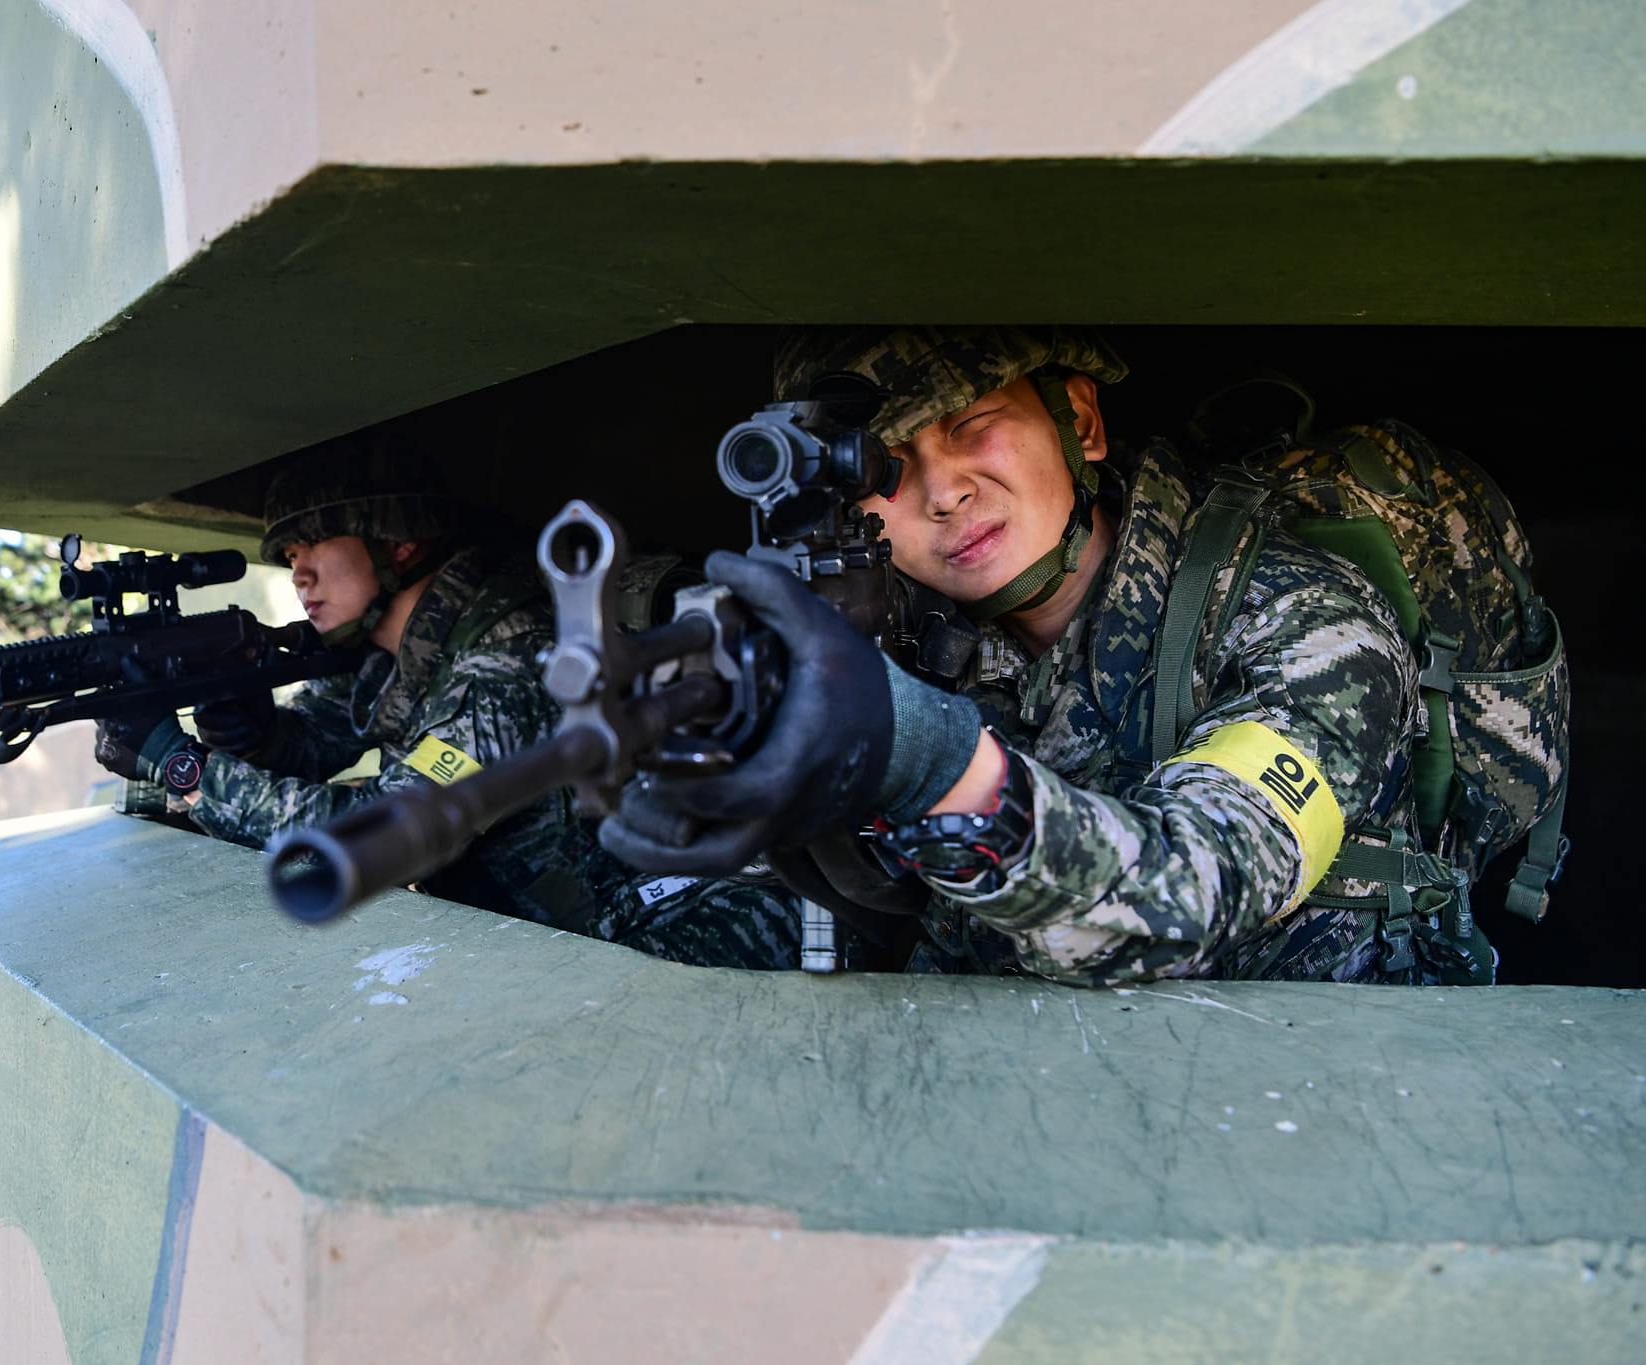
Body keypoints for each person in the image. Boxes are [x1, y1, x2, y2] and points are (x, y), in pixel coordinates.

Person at [601, 325, 1438, 985]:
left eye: (971, 426)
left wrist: (932, 763)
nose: (942, 492)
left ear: (1080, 420)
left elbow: (1188, 904)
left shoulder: (1301, 620)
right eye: (884, 471)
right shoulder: (904, 644)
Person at [93, 433, 805, 971]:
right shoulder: (400, 641)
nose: (299, 573)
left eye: (315, 544)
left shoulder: (501, 656)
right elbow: (319, 738)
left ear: (397, 544)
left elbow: (378, 834)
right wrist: (257, 734)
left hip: (641, 929)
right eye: (289, 557)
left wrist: (180, 767)